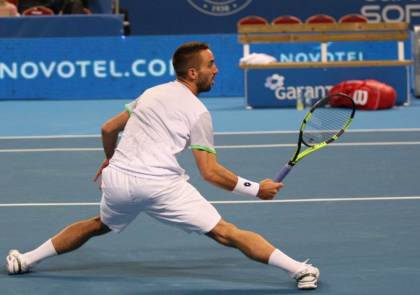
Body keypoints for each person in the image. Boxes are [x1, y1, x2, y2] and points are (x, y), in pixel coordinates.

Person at [5, 42, 320, 290]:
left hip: (118, 180)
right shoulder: (198, 113)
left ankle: (26, 259)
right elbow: (210, 172)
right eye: (211, 65)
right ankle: (301, 270)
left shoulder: (151, 92)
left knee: (98, 224)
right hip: (159, 185)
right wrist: (256, 189)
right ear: (193, 73)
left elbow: (107, 128)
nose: (217, 70)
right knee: (226, 232)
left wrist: (111, 159)